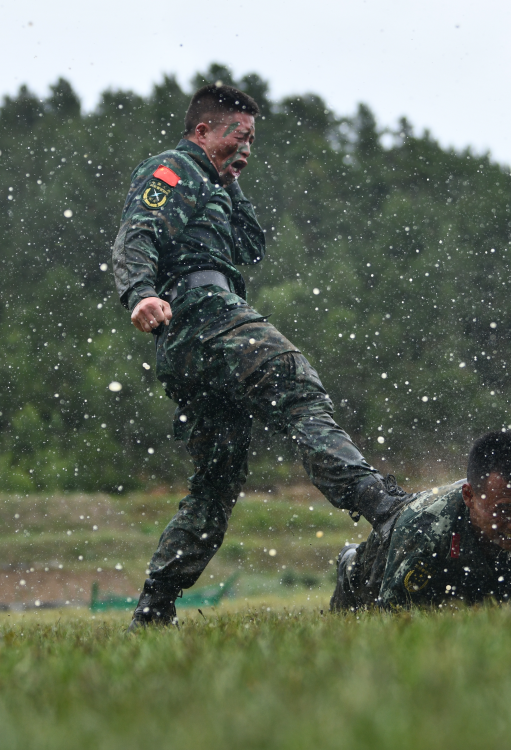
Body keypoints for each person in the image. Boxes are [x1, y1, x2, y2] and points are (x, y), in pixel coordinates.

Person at [112, 83, 409, 627]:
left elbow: (251, 246)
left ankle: (153, 611)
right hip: (198, 311)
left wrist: (230, 182)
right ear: (202, 130)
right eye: (237, 136)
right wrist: (140, 292)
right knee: (294, 384)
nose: (246, 147)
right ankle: (383, 507)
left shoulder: (216, 184)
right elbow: (138, 232)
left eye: (252, 140)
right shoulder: (173, 169)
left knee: (215, 488)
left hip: (195, 340)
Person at [330, 430, 511, 610]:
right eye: (504, 510)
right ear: (469, 496)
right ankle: (349, 563)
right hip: (380, 568)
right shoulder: (424, 527)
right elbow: (394, 622)